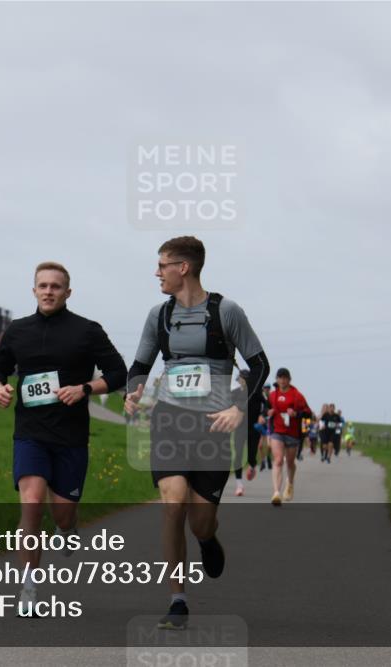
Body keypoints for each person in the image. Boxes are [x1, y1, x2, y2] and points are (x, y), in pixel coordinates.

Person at [124, 236, 269, 630]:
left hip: (213, 426)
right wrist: (133, 389)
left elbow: (259, 366)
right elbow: (139, 364)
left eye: (162, 265)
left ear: (182, 268)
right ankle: (177, 600)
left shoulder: (227, 311)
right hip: (170, 419)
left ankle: (208, 539)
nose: (157, 272)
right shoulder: (158, 315)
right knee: (173, 504)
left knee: (200, 520)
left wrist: (239, 407)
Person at [0, 261, 127, 617]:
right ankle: (28, 587)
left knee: (62, 514)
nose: (49, 291)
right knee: (31, 503)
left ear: (68, 292)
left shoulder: (87, 331)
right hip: (30, 433)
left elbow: (117, 372)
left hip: (71, 436)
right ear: (33, 290)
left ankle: (69, 527)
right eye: (42, 285)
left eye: (56, 286)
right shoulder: (18, 331)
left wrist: (84, 389)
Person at [267, 368, 311, 505]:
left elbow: (308, 414)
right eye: (280, 377)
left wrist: (296, 414)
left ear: (289, 379)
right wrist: (268, 413)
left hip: (293, 433)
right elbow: (265, 410)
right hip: (277, 432)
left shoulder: (296, 395)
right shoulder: (272, 395)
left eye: (285, 377)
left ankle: (290, 483)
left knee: (290, 463)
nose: (282, 380)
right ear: (277, 379)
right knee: (278, 460)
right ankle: (276, 493)